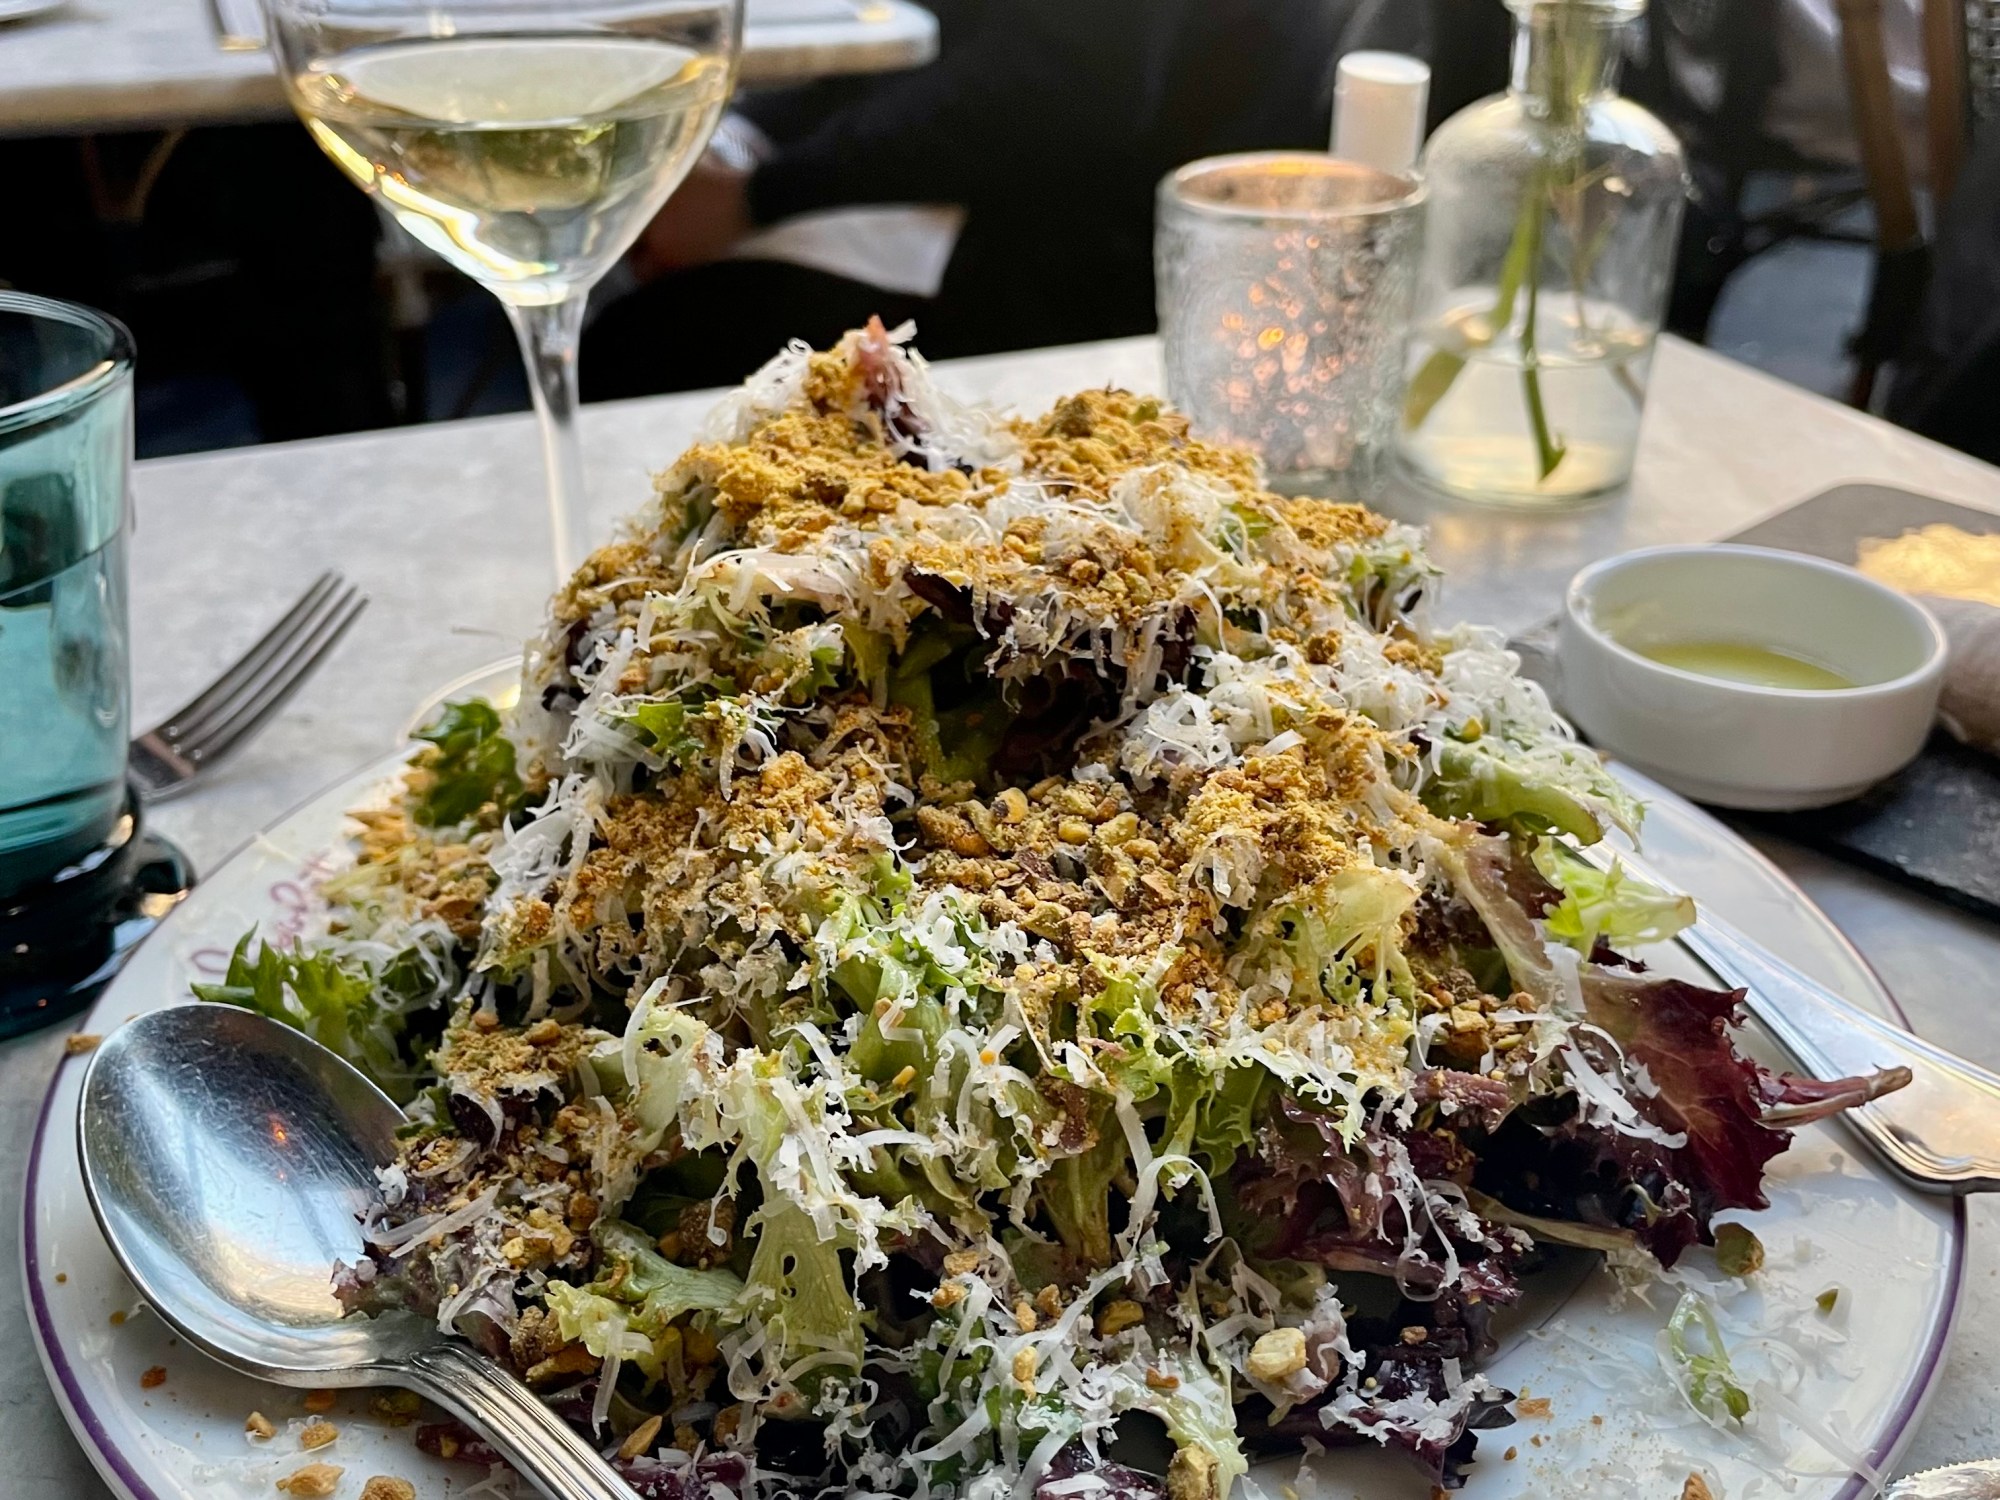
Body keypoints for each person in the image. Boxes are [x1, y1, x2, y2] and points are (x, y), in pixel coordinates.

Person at [582, 0, 1366, 398]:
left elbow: (1061, 87)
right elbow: (934, 33)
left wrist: (758, 195)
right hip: (1018, 187)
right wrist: (747, 140)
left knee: (645, 339)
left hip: (1094, 257)